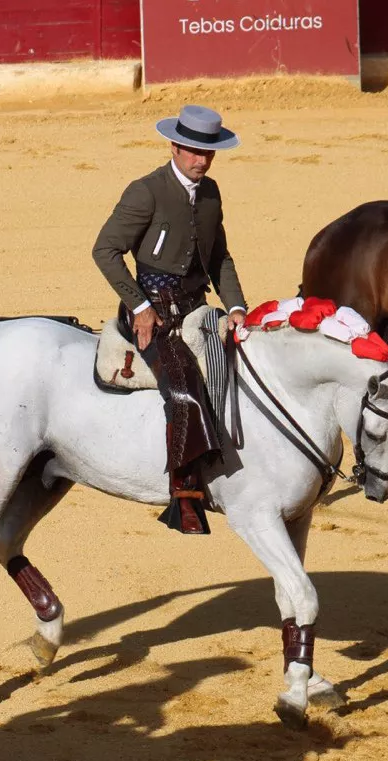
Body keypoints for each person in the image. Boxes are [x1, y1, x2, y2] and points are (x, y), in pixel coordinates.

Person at [93, 105, 248, 535]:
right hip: (153, 314)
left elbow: (219, 257)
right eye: (195, 151)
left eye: (209, 153)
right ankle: (185, 495)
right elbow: (105, 250)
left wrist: (236, 307)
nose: (202, 160)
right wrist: (140, 306)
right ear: (175, 146)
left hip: (197, 310)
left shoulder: (212, 193)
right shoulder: (146, 191)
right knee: (184, 388)